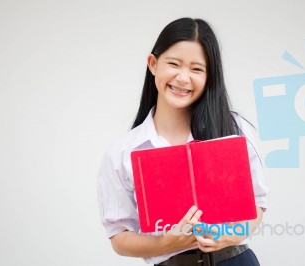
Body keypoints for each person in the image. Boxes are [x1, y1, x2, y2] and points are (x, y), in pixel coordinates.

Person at [97, 17, 269, 266]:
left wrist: (228, 236)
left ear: (210, 75)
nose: (183, 78)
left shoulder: (232, 129)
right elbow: (119, 236)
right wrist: (165, 244)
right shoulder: (124, 151)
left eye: (196, 69)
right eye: (174, 64)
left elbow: (257, 206)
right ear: (153, 64)